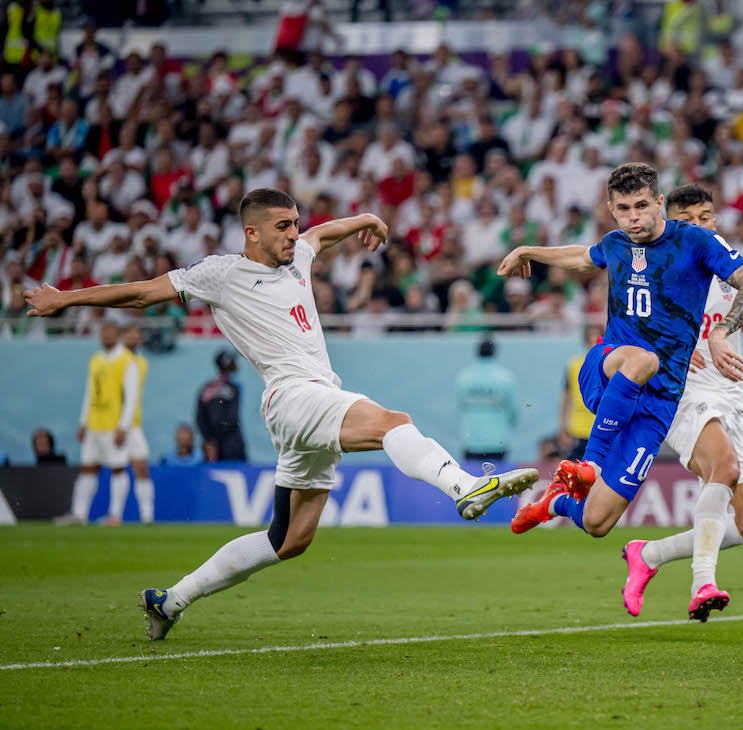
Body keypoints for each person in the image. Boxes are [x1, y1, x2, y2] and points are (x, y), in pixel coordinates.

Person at [25, 188, 539, 641]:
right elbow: (141, 294)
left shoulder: (299, 258)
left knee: (288, 540)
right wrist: (64, 299)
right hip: (291, 397)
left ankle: (171, 600)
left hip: (304, 410)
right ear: (252, 232)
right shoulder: (220, 273)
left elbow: (323, 234)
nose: (295, 234)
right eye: (283, 226)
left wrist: (364, 220)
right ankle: (463, 487)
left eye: (295, 223)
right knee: (392, 422)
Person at [496, 163, 743, 622]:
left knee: (599, 521)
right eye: (623, 209)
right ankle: (589, 464)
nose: (633, 218)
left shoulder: (695, 241)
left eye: (642, 206)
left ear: (660, 203)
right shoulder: (617, 243)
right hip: (610, 367)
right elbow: (582, 256)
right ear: (611, 209)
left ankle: (555, 501)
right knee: (643, 358)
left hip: (657, 403)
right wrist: (529, 250)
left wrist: (721, 332)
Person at [621, 184, 743, 620]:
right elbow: (629, 333)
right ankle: (702, 581)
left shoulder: (731, 267)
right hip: (680, 394)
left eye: (706, 217)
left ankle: (647, 554)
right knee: (722, 469)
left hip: (731, 399)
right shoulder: (655, 270)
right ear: (669, 221)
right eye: (688, 221)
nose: (700, 227)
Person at [54, 322, 136, 526]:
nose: (105, 336)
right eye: (103, 332)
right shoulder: (96, 359)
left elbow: (132, 398)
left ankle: (115, 516)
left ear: (118, 335)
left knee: (117, 468)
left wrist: (123, 427)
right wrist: (83, 423)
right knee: (88, 469)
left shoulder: (127, 361)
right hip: (94, 425)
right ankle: (78, 515)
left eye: (110, 332)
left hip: (113, 426)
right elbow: (89, 393)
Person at [454, 334, 517, 461]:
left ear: (477, 352)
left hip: (471, 441)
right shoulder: (505, 377)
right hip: (498, 442)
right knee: (498, 480)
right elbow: (513, 412)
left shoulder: (464, 377)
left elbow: (460, 405)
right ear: (495, 352)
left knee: (473, 480)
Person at [120, 323, 155, 523]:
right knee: (97, 468)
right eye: (131, 332)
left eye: (137, 333)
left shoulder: (140, 363)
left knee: (141, 467)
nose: (135, 337)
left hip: (132, 425)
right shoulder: (113, 361)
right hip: (109, 425)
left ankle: (147, 516)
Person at [558, 325, 602, 461]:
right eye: (591, 336)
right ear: (585, 340)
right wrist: (562, 428)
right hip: (578, 427)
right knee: (575, 472)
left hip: (601, 426)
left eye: (597, 337)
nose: (593, 340)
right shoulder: (574, 364)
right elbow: (566, 396)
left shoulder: (609, 364)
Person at [196, 349, 247, 461]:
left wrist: (209, 439)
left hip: (211, 447)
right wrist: (213, 440)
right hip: (232, 446)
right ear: (227, 365)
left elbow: (199, 418)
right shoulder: (234, 388)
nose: (236, 364)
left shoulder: (206, 388)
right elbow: (231, 418)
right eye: (233, 361)